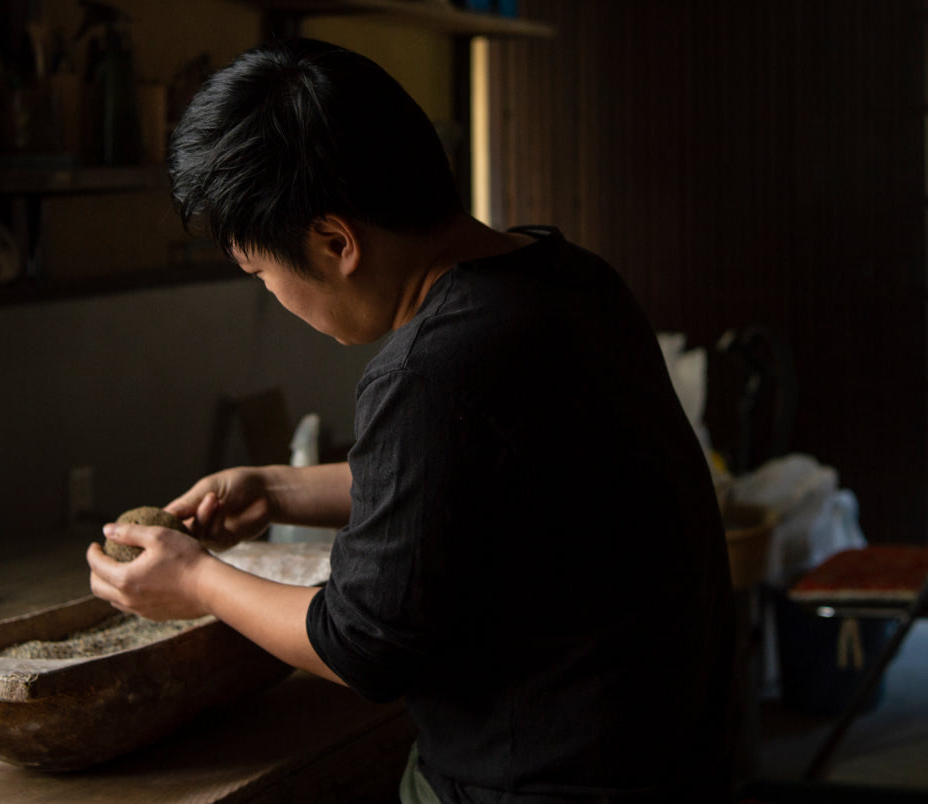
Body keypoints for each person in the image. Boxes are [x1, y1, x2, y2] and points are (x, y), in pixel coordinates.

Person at [86, 38, 736, 803]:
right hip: (675, 759)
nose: (272, 294)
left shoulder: (432, 367)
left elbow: (362, 645)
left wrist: (196, 580)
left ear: (335, 243)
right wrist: (282, 489)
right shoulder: (569, 279)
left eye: (260, 272)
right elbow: (475, 480)